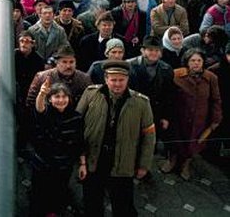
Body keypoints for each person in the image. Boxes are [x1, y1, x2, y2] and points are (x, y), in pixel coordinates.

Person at [77, 60, 156, 217]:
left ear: (128, 79)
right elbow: (77, 127)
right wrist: (81, 161)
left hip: (123, 163)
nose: (117, 84)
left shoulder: (141, 102)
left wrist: (144, 165)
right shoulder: (91, 94)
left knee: (123, 205)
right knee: (92, 203)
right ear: (106, 79)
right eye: (113, 80)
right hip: (94, 160)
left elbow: (149, 137)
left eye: (121, 80)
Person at [161, 49, 222, 180]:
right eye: (192, 60)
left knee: (193, 143)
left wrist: (216, 119)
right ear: (187, 62)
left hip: (199, 118)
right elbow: (167, 96)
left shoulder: (211, 78)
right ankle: (172, 160)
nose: (196, 63)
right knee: (175, 141)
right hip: (178, 117)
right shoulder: (176, 74)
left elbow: (216, 99)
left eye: (199, 60)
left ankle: (185, 165)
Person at [30, 81, 84, 217]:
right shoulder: (46, 113)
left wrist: (82, 164)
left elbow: (80, 142)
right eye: (57, 97)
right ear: (50, 99)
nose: (61, 100)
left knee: (58, 198)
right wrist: (42, 94)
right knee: (40, 198)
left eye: (64, 96)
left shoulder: (76, 117)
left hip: (64, 167)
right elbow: (39, 108)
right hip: (43, 166)